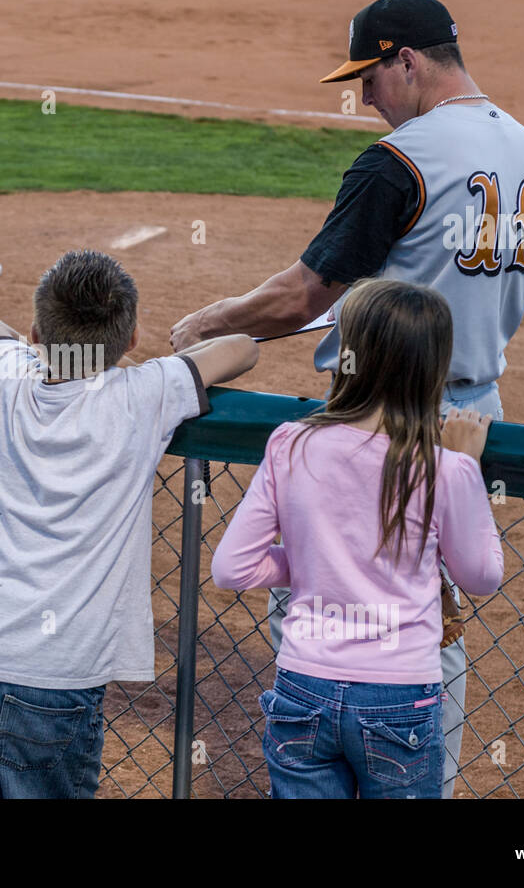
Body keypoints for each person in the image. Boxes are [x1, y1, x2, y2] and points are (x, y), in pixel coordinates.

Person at [171, 0, 524, 796]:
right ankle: (422, 776)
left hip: (376, 413)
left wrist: (212, 321)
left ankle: (334, 758)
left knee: (332, 595)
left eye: (370, 79)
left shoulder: (402, 159)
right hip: (469, 416)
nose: (364, 100)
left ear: (407, 61)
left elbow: (307, 296)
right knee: (433, 612)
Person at [0, 249, 259, 798]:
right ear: (133, 337)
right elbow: (241, 350)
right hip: (57, 677)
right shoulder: (144, 392)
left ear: (36, 331)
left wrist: (25, 347)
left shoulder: (7, 376)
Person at [211, 279, 504, 798]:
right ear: (432, 368)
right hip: (398, 696)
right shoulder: (443, 468)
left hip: (302, 688)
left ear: (349, 356)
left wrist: (308, 559)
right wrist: (466, 467)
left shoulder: (290, 441)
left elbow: (231, 569)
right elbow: (480, 577)